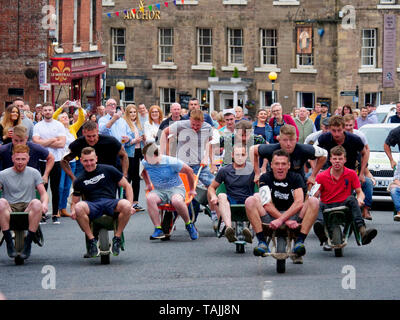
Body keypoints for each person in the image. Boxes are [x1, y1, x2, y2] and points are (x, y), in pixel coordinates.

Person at [245, 149, 320, 259]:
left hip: (293, 215)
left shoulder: (296, 177)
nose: (280, 167)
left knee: (314, 201)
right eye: (277, 164)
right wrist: (284, 220)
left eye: (283, 164)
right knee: (250, 200)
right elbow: (267, 204)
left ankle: (300, 241)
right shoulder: (265, 178)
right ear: (271, 165)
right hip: (271, 216)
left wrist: (282, 219)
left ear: (289, 165)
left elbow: (299, 202)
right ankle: (262, 242)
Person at [71, 147, 135, 258]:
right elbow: (75, 201)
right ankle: (92, 241)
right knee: (79, 207)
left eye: (91, 160)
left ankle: (117, 238)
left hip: (110, 202)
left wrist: (130, 204)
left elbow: (127, 186)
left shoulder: (109, 169)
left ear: (96, 159)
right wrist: (73, 210)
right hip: (92, 205)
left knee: (126, 205)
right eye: (85, 161)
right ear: (81, 161)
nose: (89, 163)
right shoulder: (79, 180)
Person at [313, 146, 377, 248]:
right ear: (330, 160)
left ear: (345, 160)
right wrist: (313, 195)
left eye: (340, 159)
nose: (337, 162)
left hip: (344, 204)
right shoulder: (321, 176)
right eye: (334, 159)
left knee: (352, 198)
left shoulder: (351, 174)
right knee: (317, 203)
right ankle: (320, 229)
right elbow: (315, 194)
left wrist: (360, 199)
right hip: (327, 204)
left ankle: (362, 231)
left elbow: (359, 192)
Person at [0, 144, 49, 260]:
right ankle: (9, 243)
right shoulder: (3, 174)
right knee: (1, 202)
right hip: (10, 208)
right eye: (17, 159)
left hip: (28, 207)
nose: (20, 162)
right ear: (12, 158)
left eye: (23, 159)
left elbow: (43, 193)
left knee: (37, 202)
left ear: (28, 159)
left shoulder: (34, 172)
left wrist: (45, 204)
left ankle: (28, 244)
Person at [141, 143, 198, 240]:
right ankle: (158, 229)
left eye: (148, 158)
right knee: (150, 198)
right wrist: (148, 184)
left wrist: (192, 189)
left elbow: (189, 171)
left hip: (175, 188)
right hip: (159, 190)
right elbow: (143, 171)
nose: (145, 161)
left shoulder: (171, 162)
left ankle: (189, 224)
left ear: (156, 156)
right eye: (145, 158)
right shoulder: (145, 162)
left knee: (176, 201)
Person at [251, 124, 328, 186]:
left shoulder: (303, 149)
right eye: (285, 140)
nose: (288, 144)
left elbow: (324, 153)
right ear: (279, 139)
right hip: (275, 184)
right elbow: (252, 150)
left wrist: (313, 175)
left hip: (298, 185)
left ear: (296, 139)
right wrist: (257, 173)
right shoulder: (272, 149)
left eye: (291, 140)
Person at [208, 146, 254, 244]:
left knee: (254, 198)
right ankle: (229, 229)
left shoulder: (252, 169)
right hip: (231, 199)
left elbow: (260, 184)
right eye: (237, 155)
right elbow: (212, 187)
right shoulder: (225, 170)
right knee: (221, 195)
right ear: (232, 155)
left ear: (246, 156)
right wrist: (213, 196)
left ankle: (250, 229)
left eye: (242, 155)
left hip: (248, 200)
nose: (240, 157)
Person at [32, 102, 66, 225]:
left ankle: (55, 213)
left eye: (49, 110)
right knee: (42, 187)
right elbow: (35, 142)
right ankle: (42, 213)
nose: (47, 112)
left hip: (57, 160)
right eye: (45, 110)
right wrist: (52, 140)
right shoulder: (38, 126)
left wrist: (44, 142)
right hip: (42, 161)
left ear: (53, 111)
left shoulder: (59, 125)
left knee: (56, 188)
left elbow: (62, 143)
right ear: (42, 112)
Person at [61, 121, 129, 181]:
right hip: (89, 178)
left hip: (109, 176)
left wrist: (124, 174)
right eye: (88, 136)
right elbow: (64, 161)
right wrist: (73, 178)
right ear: (83, 133)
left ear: (97, 131)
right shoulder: (78, 143)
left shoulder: (111, 141)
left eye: (94, 136)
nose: (92, 139)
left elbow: (124, 155)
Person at [53, 100, 85, 217]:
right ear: (59, 120)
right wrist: (62, 108)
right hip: (61, 161)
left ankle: (62, 208)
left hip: (72, 161)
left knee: (67, 186)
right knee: (60, 186)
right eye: (63, 117)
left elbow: (81, 119)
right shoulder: (56, 129)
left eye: (67, 116)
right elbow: (53, 116)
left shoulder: (72, 128)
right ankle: (56, 209)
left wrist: (80, 108)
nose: (65, 118)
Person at [343, 114, 373, 220]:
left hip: (357, 167)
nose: (348, 127)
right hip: (344, 168)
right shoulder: (340, 137)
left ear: (354, 124)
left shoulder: (359, 136)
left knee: (368, 183)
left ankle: (366, 209)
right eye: (346, 125)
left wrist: (362, 173)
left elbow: (366, 151)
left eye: (350, 125)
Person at [123, 104, 145, 211]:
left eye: (134, 112)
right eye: (131, 112)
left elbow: (142, 141)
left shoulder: (138, 124)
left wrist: (143, 139)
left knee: (136, 178)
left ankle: (135, 202)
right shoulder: (125, 124)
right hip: (128, 154)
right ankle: (126, 202)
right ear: (127, 113)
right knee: (128, 178)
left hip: (138, 153)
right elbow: (123, 142)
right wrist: (134, 141)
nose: (133, 114)